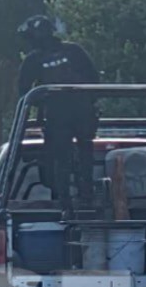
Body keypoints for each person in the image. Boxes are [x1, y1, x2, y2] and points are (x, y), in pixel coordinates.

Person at [17, 15, 100, 209]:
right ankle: (84, 194)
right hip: (80, 113)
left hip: (59, 116)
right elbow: (95, 80)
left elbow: (24, 92)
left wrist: (44, 103)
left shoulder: (34, 59)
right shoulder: (74, 51)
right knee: (82, 151)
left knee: (61, 156)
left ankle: (66, 198)